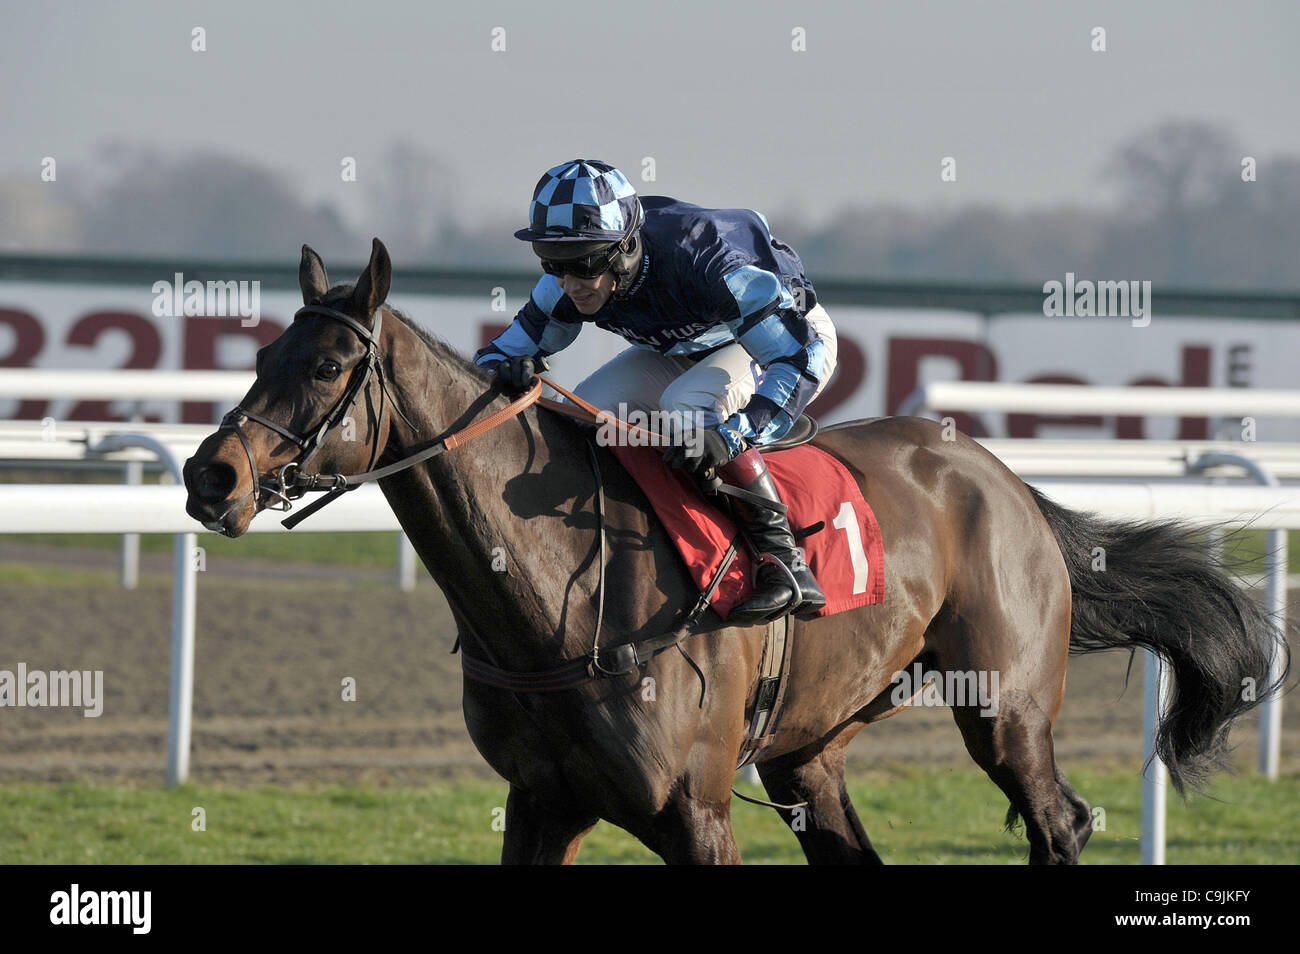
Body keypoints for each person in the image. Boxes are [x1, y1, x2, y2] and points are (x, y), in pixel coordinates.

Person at [475, 159, 837, 623]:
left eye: (583, 265)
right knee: (582, 413)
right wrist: (504, 371)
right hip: (691, 345)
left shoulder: (709, 258)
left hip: (792, 339)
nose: (568, 283)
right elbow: (493, 357)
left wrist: (731, 435)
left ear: (625, 247)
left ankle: (784, 560)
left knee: (686, 407)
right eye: (552, 262)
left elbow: (796, 360)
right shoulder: (569, 280)